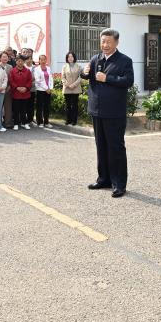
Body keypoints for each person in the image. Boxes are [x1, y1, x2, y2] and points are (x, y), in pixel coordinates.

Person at [82, 29, 134, 198]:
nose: (105, 45)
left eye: (108, 42)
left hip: (114, 112)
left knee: (115, 148)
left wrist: (108, 78)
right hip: (97, 110)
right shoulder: (95, 59)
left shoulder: (125, 61)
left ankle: (119, 184)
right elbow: (89, 78)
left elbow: (128, 81)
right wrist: (84, 72)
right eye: (103, 41)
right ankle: (103, 178)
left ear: (116, 42)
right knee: (101, 146)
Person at [9, 56, 32, 131]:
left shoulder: (28, 71)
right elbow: (11, 81)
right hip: (16, 93)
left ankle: (24, 123)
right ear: (16, 62)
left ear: (24, 62)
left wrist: (26, 88)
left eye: (22, 61)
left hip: (25, 93)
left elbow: (30, 81)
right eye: (18, 61)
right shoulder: (12, 71)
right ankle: (16, 123)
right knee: (16, 109)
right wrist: (17, 87)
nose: (20, 62)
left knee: (24, 109)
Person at [61, 52, 82, 126]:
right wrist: (67, 84)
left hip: (75, 89)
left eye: (72, 56)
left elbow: (80, 77)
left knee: (75, 105)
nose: (70, 58)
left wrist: (74, 85)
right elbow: (63, 77)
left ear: (74, 57)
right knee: (68, 105)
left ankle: (74, 121)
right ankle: (68, 120)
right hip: (67, 88)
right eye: (69, 57)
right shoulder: (64, 67)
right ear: (67, 58)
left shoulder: (79, 66)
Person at [32, 54, 53, 128]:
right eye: (41, 59)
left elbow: (51, 78)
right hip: (41, 90)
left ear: (46, 60)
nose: (43, 61)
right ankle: (40, 122)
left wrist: (50, 87)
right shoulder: (36, 69)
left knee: (47, 106)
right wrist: (46, 88)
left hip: (48, 90)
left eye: (44, 59)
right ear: (39, 61)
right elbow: (38, 80)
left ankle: (46, 122)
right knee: (39, 106)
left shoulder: (48, 68)